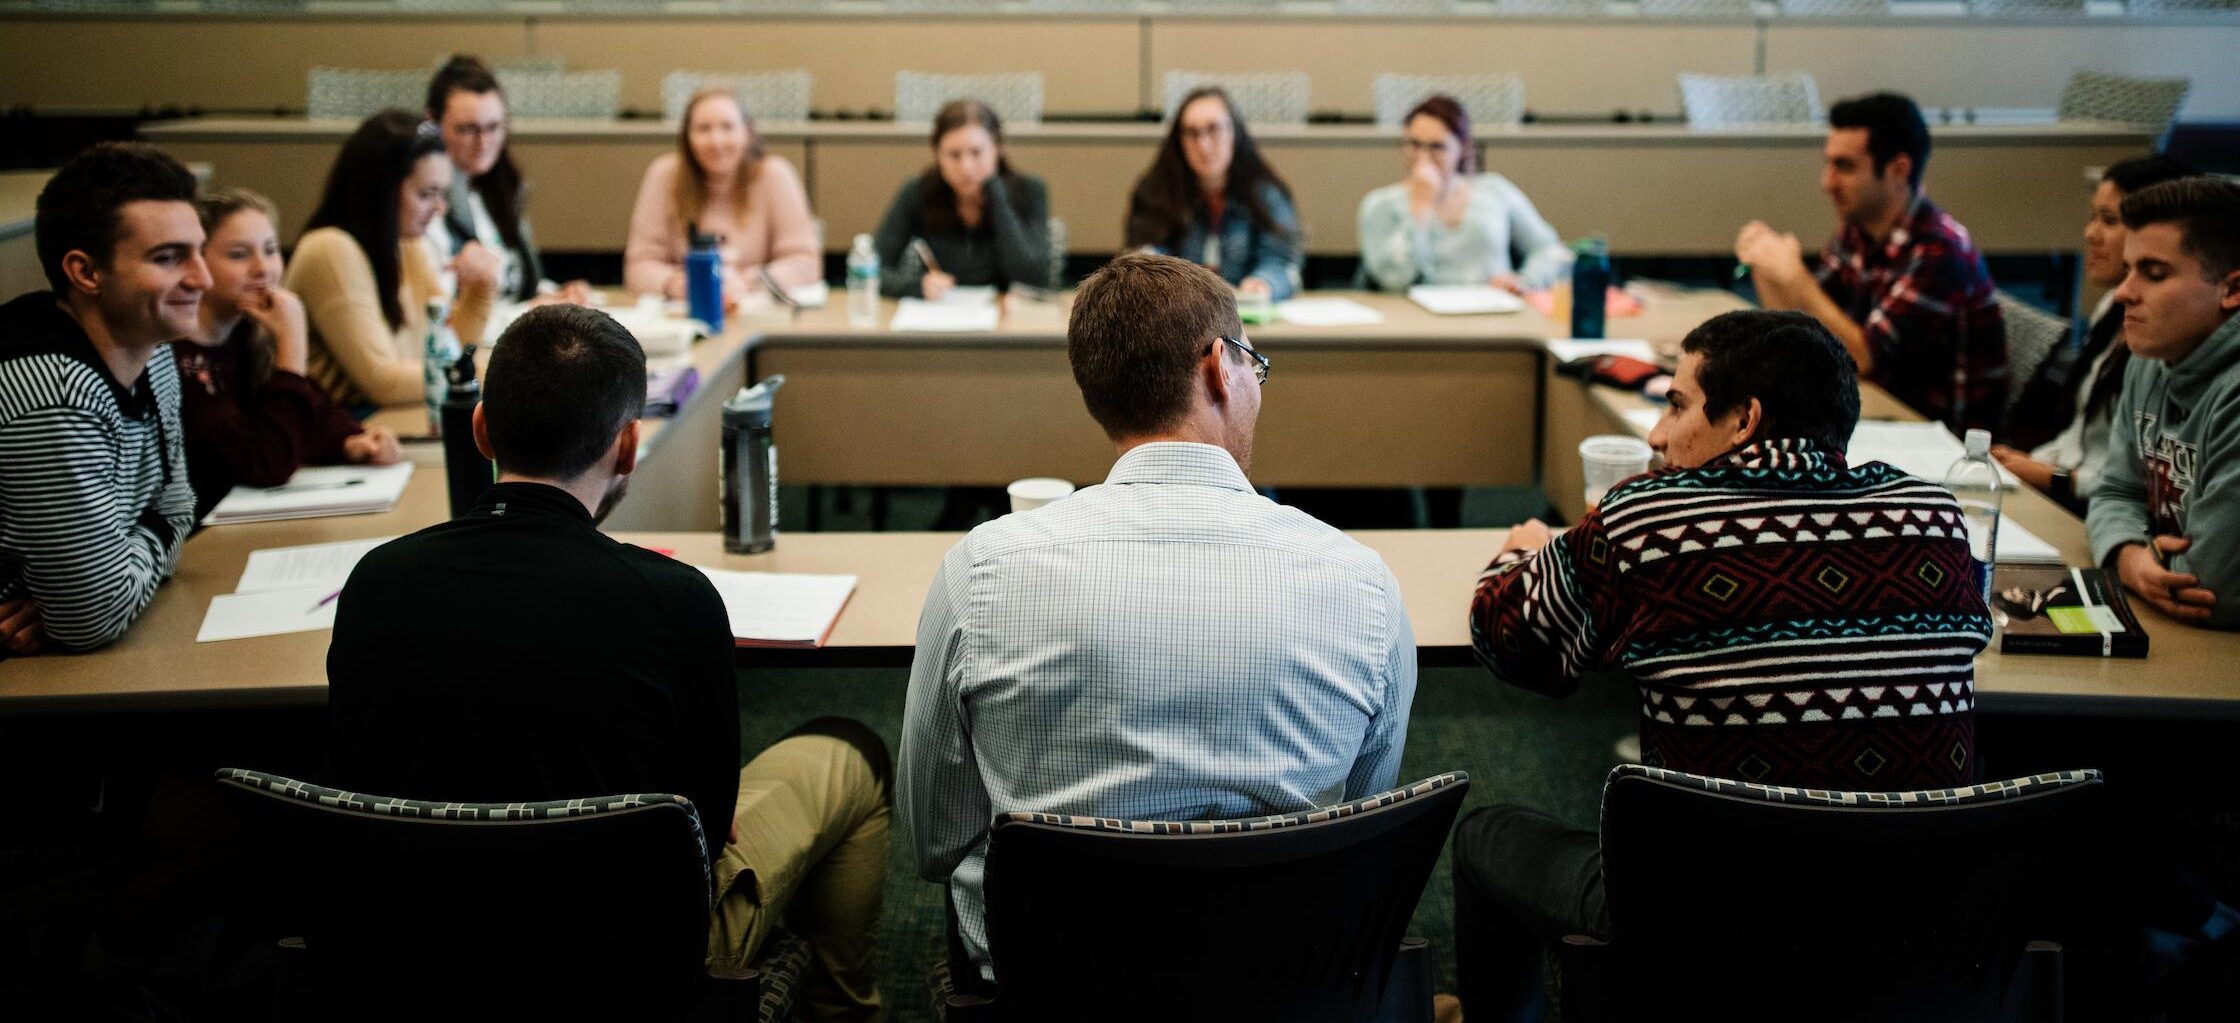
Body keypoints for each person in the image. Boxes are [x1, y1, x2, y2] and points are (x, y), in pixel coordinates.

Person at [326, 303, 887, 1018]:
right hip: (626, 965)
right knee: (853, 752)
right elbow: (708, 830)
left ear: (479, 429)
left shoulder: (375, 580)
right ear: (627, 446)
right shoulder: (672, 601)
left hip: (411, 952)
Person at [1451, 309, 1993, 1020]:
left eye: (1676, 405)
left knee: (1482, 835)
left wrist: (1524, 552)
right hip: (1915, 923)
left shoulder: (1647, 520)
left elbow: (1509, 637)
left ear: (1745, 421)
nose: (1655, 433)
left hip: (1705, 923)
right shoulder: (1935, 514)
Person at [899, 253, 1417, 989]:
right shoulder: (1362, 586)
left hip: (1049, 983)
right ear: (1218, 367)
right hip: (1286, 980)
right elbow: (1360, 823)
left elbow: (933, 842)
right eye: (1255, 367)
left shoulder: (980, 574)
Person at [0, 142, 201, 654]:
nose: (204, 278)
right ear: (85, 273)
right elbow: (91, 619)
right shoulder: (55, 396)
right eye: (169, 257)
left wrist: (125, 555)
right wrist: (99, 585)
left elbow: (179, 512)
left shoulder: (151, 350)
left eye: (198, 250)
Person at [1735, 91, 2005, 434]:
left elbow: (1862, 359)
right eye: (1828, 163)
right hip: (1872, 413)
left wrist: (1797, 279)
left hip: (1934, 439)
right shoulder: (1858, 230)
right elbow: (1806, 335)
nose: (1826, 183)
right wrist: (1768, 269)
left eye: (1844, 167)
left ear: (1898, 171)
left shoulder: (1941, 252)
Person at [174, 188, 400, 519]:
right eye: (238, 255)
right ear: (197, 263)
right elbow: (266, 462)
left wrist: (350, 442)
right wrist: (292, 344)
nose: (262, 268)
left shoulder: (248, 333)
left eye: (270, 249)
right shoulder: (181, 362)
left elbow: (315, 413)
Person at [1994, 156, 2198, 513]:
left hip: (2087, 501)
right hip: (2076, 490)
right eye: (2093, 217)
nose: (2090, 234)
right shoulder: (2111, 308)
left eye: (2109, 220)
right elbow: (2082, 436)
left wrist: (2051, 475)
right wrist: (2027, 462)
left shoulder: (2167, 339)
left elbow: (2137, 482)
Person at [2088, 177, 2240, 631]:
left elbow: (2207, 588)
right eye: (2129, 269)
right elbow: (2114, 490)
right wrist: (2131, 558)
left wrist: (2128, 552)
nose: (2123, 292)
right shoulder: (2151, 358)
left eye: (2154, 274)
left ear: (2231, 290)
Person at [285, 109, 499, 409]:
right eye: (426, 194)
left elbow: (446, 348)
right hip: (345, 433)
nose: (438, 209)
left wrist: (482, 288)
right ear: (381, 191)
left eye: (442, 195)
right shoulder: (329, 249)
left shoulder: (406, 243)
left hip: (385, 425)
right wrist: (504, 368)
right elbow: (383, 382)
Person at [423, 54, 592, 306]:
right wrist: (527, 315)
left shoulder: (501, 190)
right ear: (433, 124)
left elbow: (515, 286)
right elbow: (439, 312)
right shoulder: (428, 203)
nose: (483, 142)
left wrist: (556, 294)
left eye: (493, 128)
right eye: (467, 129)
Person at [1358, 94, 1571, 293]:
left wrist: (1524, 281)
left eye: (1437, 147)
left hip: (1493, 316)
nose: (1423, 157)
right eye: (1414, 145)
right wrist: (1419, 207)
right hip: (1416, 324)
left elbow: (1551, 251)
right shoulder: (1380, 204)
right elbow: (1393, 280)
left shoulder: (1494, 190)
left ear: (1462, 149)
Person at [625, 87, 820, 303]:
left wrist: (748, 282)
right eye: (703, 129)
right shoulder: (663, 175)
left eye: (727, 127)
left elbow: (806, 262)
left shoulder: (776, 175)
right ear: (687, 137)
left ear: (747, 132)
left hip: (758, 313)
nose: (716, 141)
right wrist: (684, 284)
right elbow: (638, 267)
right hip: (684, 312)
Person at [1124, 87, 1303, 301]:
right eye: (1191, 133)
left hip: (1245, 317)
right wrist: (1155, 278)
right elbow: (1141, 256)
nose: (1203, 144)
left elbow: (1281, 262)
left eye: (1214, 129)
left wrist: (1263, 284)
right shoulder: (1155, 190)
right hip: (1178, 317)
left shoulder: (1266, 194)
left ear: (1234, 133)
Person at [872, 99, 1051, 299]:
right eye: (954, 155)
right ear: (937, 154)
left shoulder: (1030, 190)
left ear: (997, 149)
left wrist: (997, 197)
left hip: (1005, 319)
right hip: (939, 317)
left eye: (977, 153)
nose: (966, 167)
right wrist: (915, 286)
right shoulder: (918, 190)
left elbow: (1036, 279)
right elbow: (871, 269)